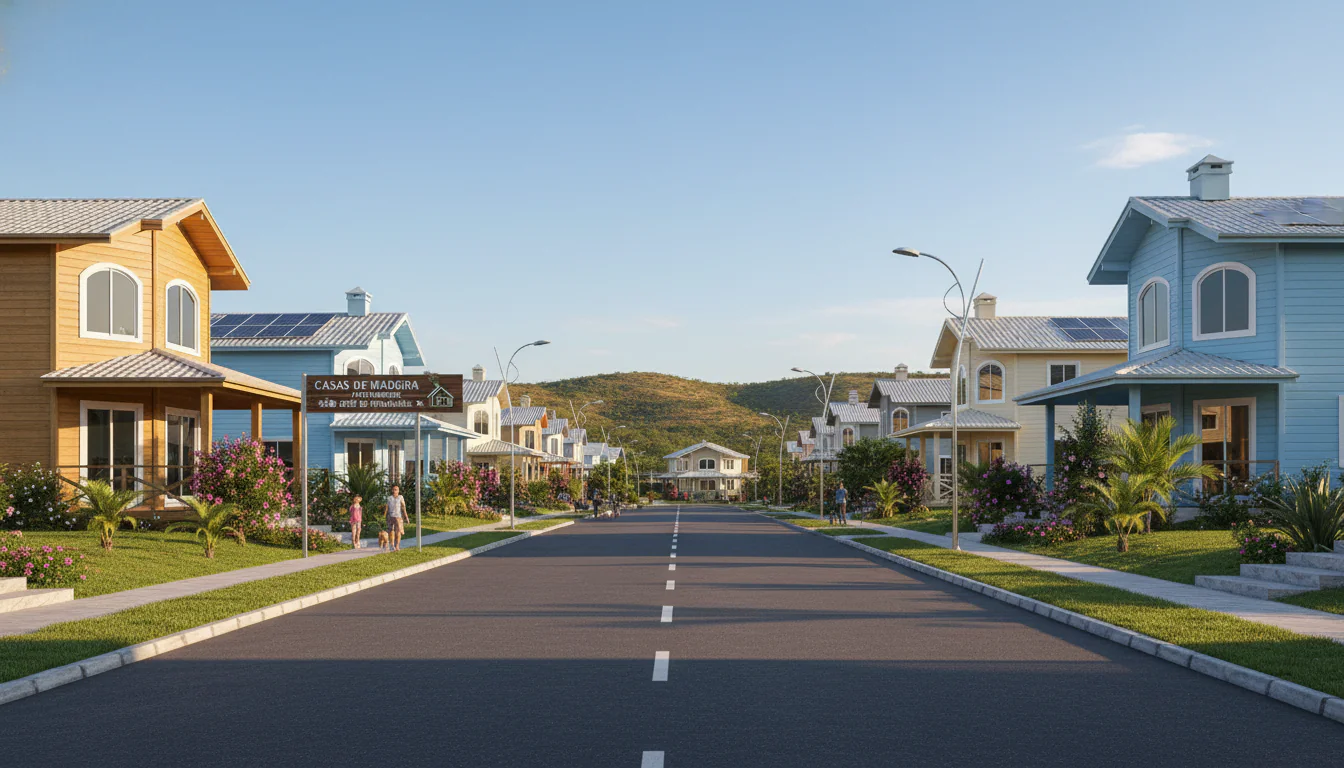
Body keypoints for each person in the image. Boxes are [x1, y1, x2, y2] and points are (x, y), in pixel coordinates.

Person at [386, 485, 407, 550]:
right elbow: (387, 508)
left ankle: (397, 545)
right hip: (391, 516)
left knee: (398, 532)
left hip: (398, 517)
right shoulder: (389, 498)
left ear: (398, 490)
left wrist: (406, 517)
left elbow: (403, 508)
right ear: (392, 490)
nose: (395, 491)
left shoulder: (400, 497)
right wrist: (386, 517)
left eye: (396, 489)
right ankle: (392, 545)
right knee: (391, 531)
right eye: (394, 489)